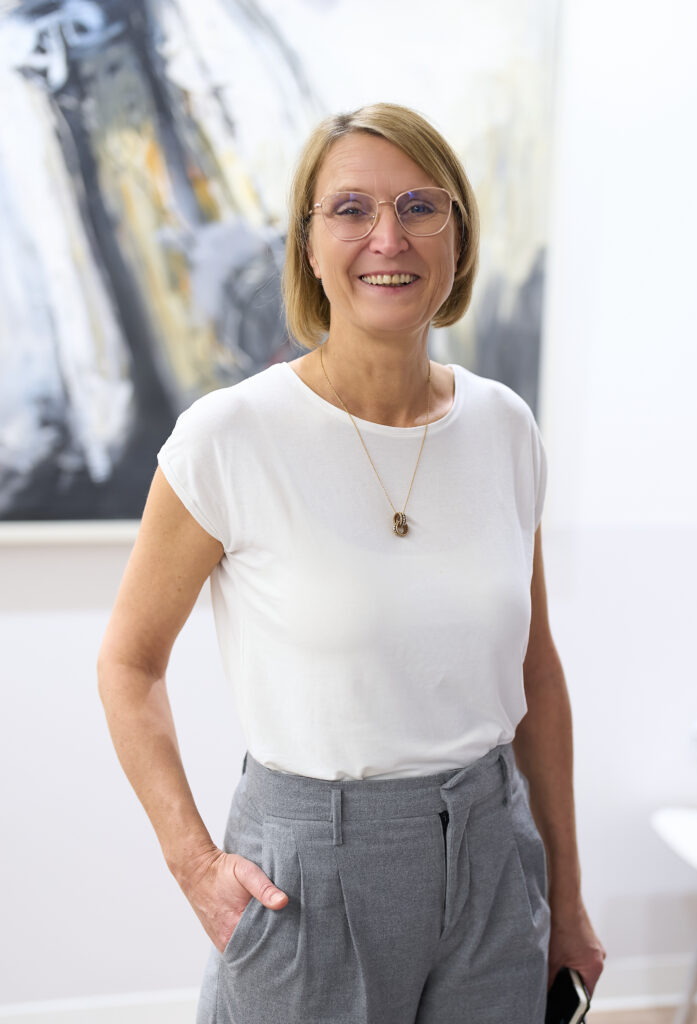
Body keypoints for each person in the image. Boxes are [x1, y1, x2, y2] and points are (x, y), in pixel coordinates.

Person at [98, 102, 605, 1023]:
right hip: (311, 876)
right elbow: (129, 664)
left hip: (494, 856)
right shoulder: (230, 436)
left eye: (420, 206)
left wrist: (566, 898)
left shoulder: (504, 427)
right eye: (350, 209)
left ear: (458, 235)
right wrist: (194, 863)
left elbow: (535, 671)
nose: (389, 238)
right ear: (308, 243)